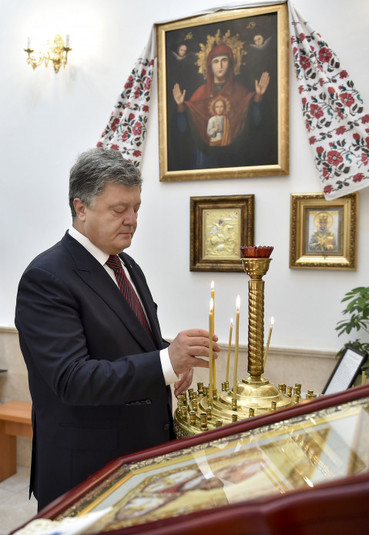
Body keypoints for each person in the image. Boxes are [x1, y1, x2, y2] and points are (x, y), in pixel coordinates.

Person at [15, 147, 220, 511]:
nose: (132, 220)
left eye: (136, 208)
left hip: (140, 461)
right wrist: (164, 363)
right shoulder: (46, 277)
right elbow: (71, 379)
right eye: (119, 209)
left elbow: (129, 339)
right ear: (81, 208)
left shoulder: (126, 265)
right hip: (87, 471)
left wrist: (173, 357)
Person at [171, 43, 271, 169]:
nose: (220, 66)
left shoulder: (240, 92)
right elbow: (182, 129)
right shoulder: (200, 94)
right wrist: (180, 106)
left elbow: (256, 123)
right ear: (210, 66)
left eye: (224, 60)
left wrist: (258, 97)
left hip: (234, 156)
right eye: (216, 61)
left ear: (230, 63)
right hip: (205, 158)